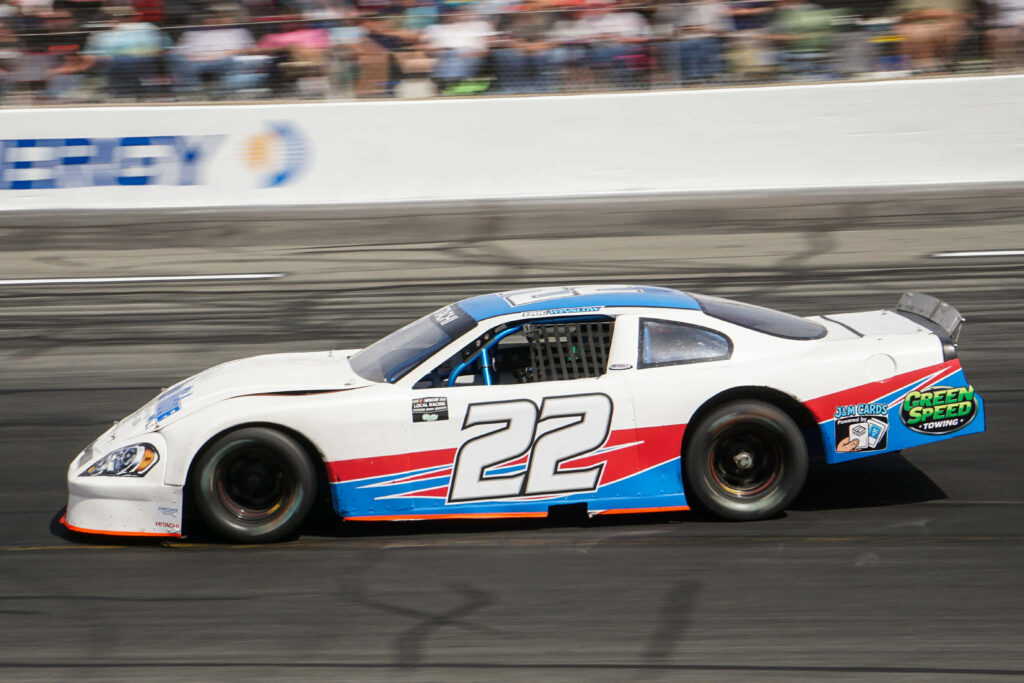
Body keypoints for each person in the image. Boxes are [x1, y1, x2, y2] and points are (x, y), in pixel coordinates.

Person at [170, 5, 258, 97]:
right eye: (212, 17)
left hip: (225, 62)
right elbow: (179, 53)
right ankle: (194, 91)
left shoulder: (240, 32)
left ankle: (199, 91)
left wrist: (221, 55)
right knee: (172, 57)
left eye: (222, 17)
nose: (218, 20)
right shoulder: (192, 33)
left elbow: (250, 51)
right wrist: (198, 58)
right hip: (196, 64)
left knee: (228, 61)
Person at [82, 5, 168, 98]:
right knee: (120, 62)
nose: (119, 20)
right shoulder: (99, 36)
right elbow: (89, 57)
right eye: (114, 17)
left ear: (134, 16)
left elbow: (163, 49)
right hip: (112, 67)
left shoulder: (147, 27)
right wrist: (104, 58)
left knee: (123, 62)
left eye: (125, 16)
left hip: (145, 64)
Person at [657, 0, 734, 83]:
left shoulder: (717, 6)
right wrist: (692, 29)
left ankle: (695, 77)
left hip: (710, 39)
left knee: (693, 45)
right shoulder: (691, 7)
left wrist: (699, 28)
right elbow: (682, 28)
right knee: (672, 46)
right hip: (689, 38)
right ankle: (681, 78)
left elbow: (722, 29)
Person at [492, 1, 561, 93]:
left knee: (555, 54)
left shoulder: (549, 14)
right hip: (515, 49)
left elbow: (555, 39)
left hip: (541, 48)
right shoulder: (511, 11)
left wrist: (537, 47)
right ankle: (510, 90)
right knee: (502, 54)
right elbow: (500, 38)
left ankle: (546, 90)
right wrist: (521, 46)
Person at [420, 6, 494, 89]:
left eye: (465, 11)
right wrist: (442, 51)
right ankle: (448, 83)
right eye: (450, 12)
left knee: (454, 57)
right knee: (450, 55)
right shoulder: (435, 28)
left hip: (471, 56)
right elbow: (427, 49)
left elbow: (488, 49)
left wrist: (462, 54)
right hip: (445, 56)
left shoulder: (481, 25)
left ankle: (448, 83)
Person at [891, 0, 970, 72]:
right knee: (911, 32)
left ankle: (931, 69)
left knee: (923, 33)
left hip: (947, 24)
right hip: (918, 25)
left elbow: (960, 15)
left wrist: (923, 14)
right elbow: (905, 16)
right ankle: (913, 69)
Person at [767, 0, 836, 78]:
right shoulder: (782, 13)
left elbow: (827, 30)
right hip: (795, 56)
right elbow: (773, 36)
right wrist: (797, 37)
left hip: (819, 55)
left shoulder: (814, 8)